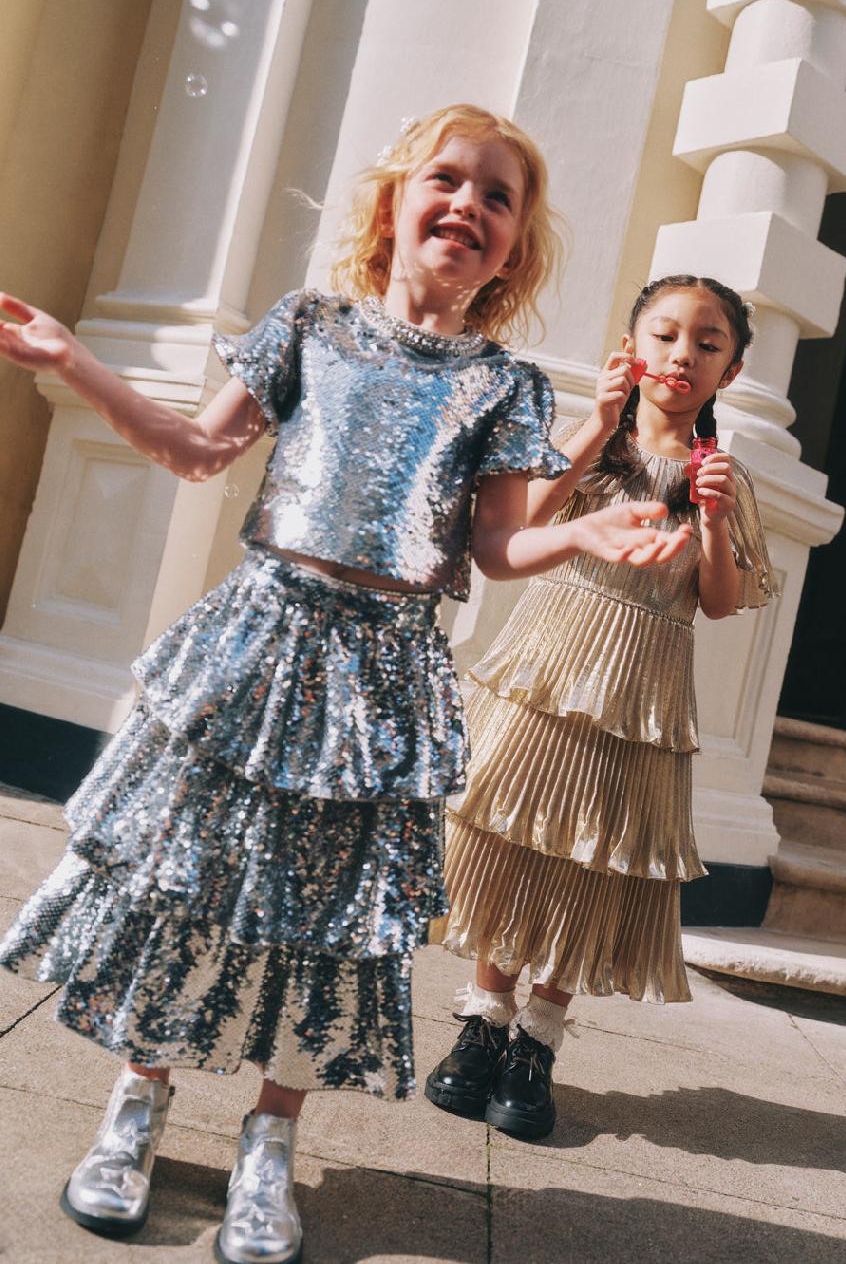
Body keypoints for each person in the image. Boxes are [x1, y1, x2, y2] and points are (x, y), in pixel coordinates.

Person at [0, 108, 692, 1264]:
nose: (468, 206)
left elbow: (493, 548)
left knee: (327, 910)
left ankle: (269, 1142)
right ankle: (139, 1100)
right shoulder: (309, 327)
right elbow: (194, 451)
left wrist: (587, 535)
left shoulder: (503, 386)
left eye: (498, 197)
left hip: (385, 668)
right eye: (448, 181)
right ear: (394, 205)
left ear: (515, 247)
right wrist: (74, 359)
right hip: (259, 638)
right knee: (194, 873)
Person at [426, 274, 777, 1139]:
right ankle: (483, 1019)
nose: (682, 356)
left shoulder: (719, 476)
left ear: (729, 372)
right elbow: (521, 530)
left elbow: (722, 600)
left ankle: (538, 1037)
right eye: (665, 335)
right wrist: (592, 423)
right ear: (633, 349)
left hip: (642, 687)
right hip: (552, 663)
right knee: (516, 832)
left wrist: (717, 520)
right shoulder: (594, 452)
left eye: (707, 343)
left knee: (594, 852)